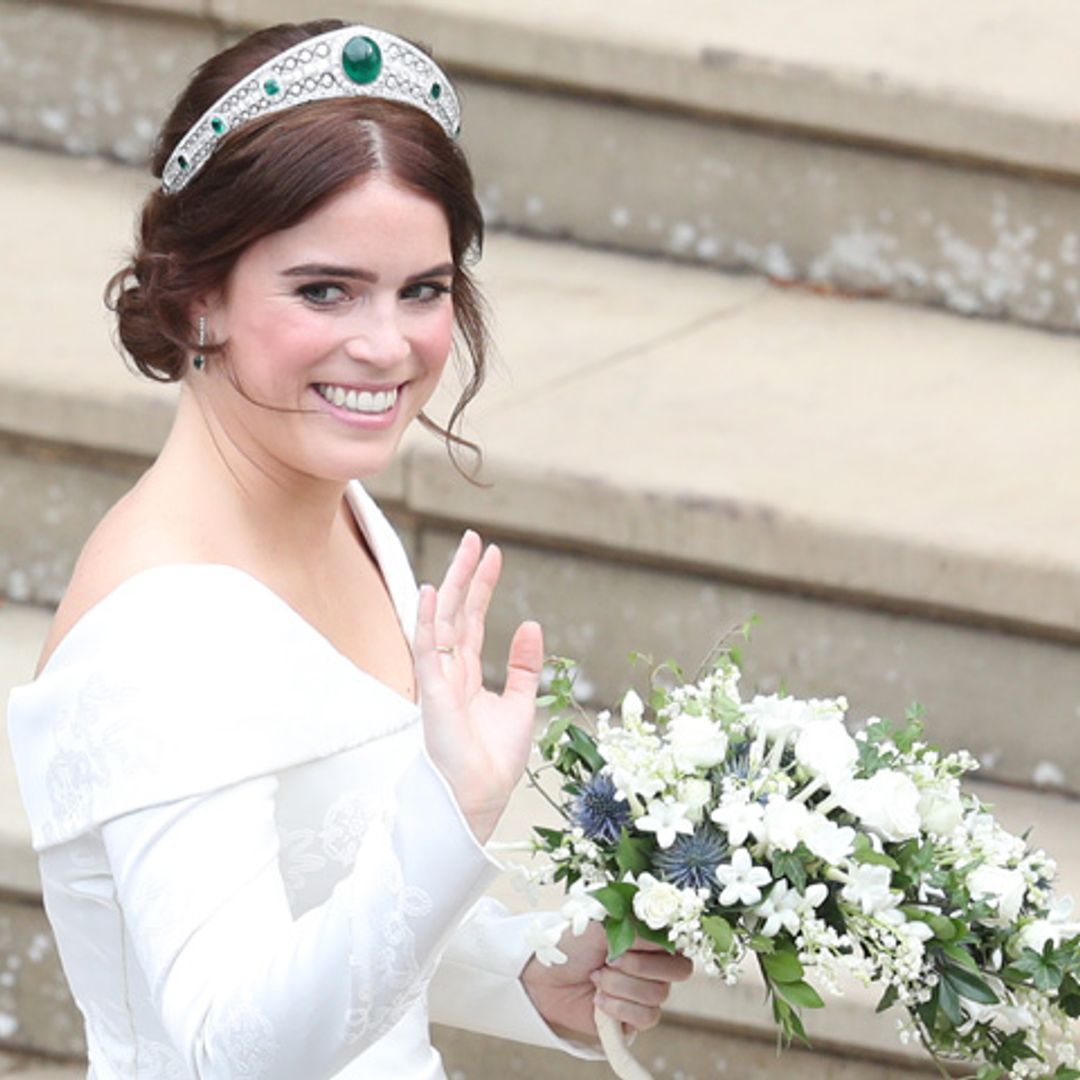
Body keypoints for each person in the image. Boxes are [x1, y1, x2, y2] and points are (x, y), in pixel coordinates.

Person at [6, 18, 691, 1079]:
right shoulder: (163, 635)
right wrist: (454, 812)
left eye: (422, 288)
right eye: (324, 290)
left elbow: (321, 884)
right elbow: (234, 1048)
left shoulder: (342, 515)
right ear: (199, 295)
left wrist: (524, 975)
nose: (388, 346)